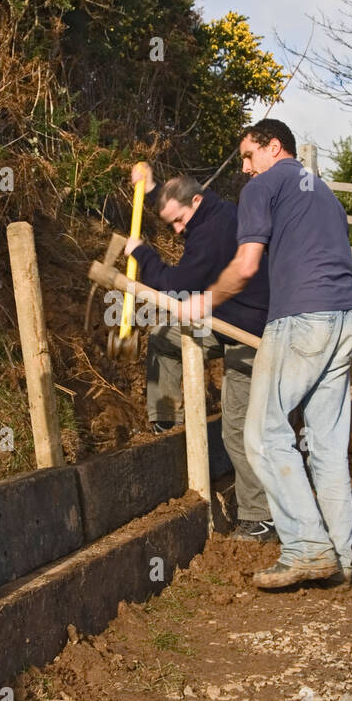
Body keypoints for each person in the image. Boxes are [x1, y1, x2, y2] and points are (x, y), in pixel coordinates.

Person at [191, 119, 352, 589]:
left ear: (274, 146)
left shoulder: (263, 186)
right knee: (327, 445)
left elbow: (246, 266)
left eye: (249, 155)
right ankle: (340, 557)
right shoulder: (323, 192)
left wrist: (203, 301)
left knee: (264, 434)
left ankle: (307, 547)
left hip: (301, 317)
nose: (245, 168)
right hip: (345, 317)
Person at [124, 162, 274, 541]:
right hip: (222, 319)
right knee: (164, 337)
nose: (177, 230)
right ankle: (166, 423)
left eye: (178, 221)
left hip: (249, 333)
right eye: (171, 223)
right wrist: (152, 187)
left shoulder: (213, 232)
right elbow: (176, 202)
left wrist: (142, 254)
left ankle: (261, 517)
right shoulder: (205, 208)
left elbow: (176, 284)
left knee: (236, 426)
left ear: (196, 201)